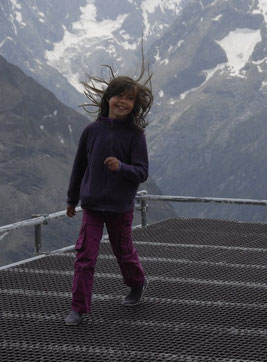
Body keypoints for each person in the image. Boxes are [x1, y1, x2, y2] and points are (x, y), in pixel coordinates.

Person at [64, 61, 153, 326]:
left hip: (120, 206)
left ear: (134, 105)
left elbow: (142, 172)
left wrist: (121, 166)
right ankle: (78, 308)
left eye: (129, 99)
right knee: (85, 255)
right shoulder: (91, 131)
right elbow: (79, 166)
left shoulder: (136, 136)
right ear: (108, 98)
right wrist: (72, 199)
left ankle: (137, 283)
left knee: (123, 251)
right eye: (119, 96)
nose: (123, 102)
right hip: (92, 205)